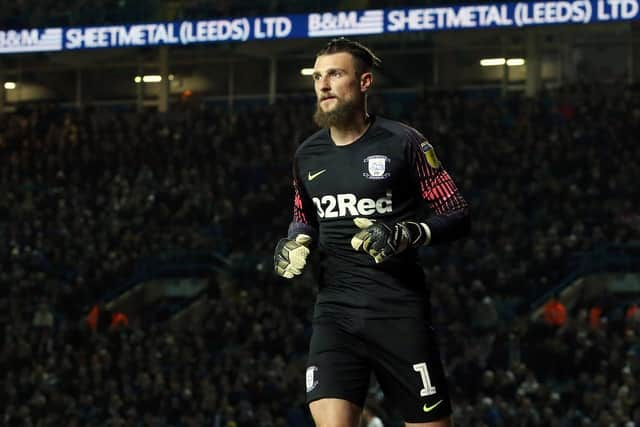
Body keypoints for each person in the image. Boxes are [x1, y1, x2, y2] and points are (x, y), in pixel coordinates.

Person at [274, 38, 470, 427]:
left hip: (397, 312)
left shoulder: (403, 142)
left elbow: (456, 212)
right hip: (334, 314)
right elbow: (304, 216)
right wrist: (293, 241)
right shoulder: (307, 155)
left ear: (364, 82)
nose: (323, 84)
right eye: (317, 76)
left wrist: (407, 233)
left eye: (335, 73)